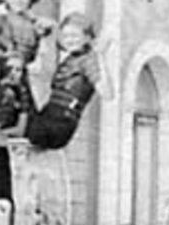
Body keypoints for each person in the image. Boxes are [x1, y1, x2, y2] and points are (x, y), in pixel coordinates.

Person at [24, 12, 112, 150]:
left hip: (59, 124)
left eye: (75, 36)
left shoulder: (89, 60)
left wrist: (100, 55)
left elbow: (107, 93)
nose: (69, 40)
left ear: (87, 37)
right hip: (48, 116)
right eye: (66, 36)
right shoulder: (71, 58)